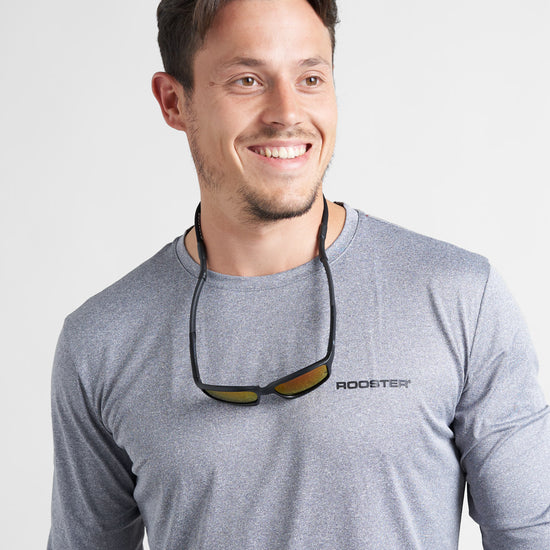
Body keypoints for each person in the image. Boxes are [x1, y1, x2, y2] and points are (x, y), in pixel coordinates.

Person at [48, 0, 550, 548]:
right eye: (247, 80)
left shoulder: (460, 298)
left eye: (310, 78)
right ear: (174, 101)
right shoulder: (101, 340)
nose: (287, 113)